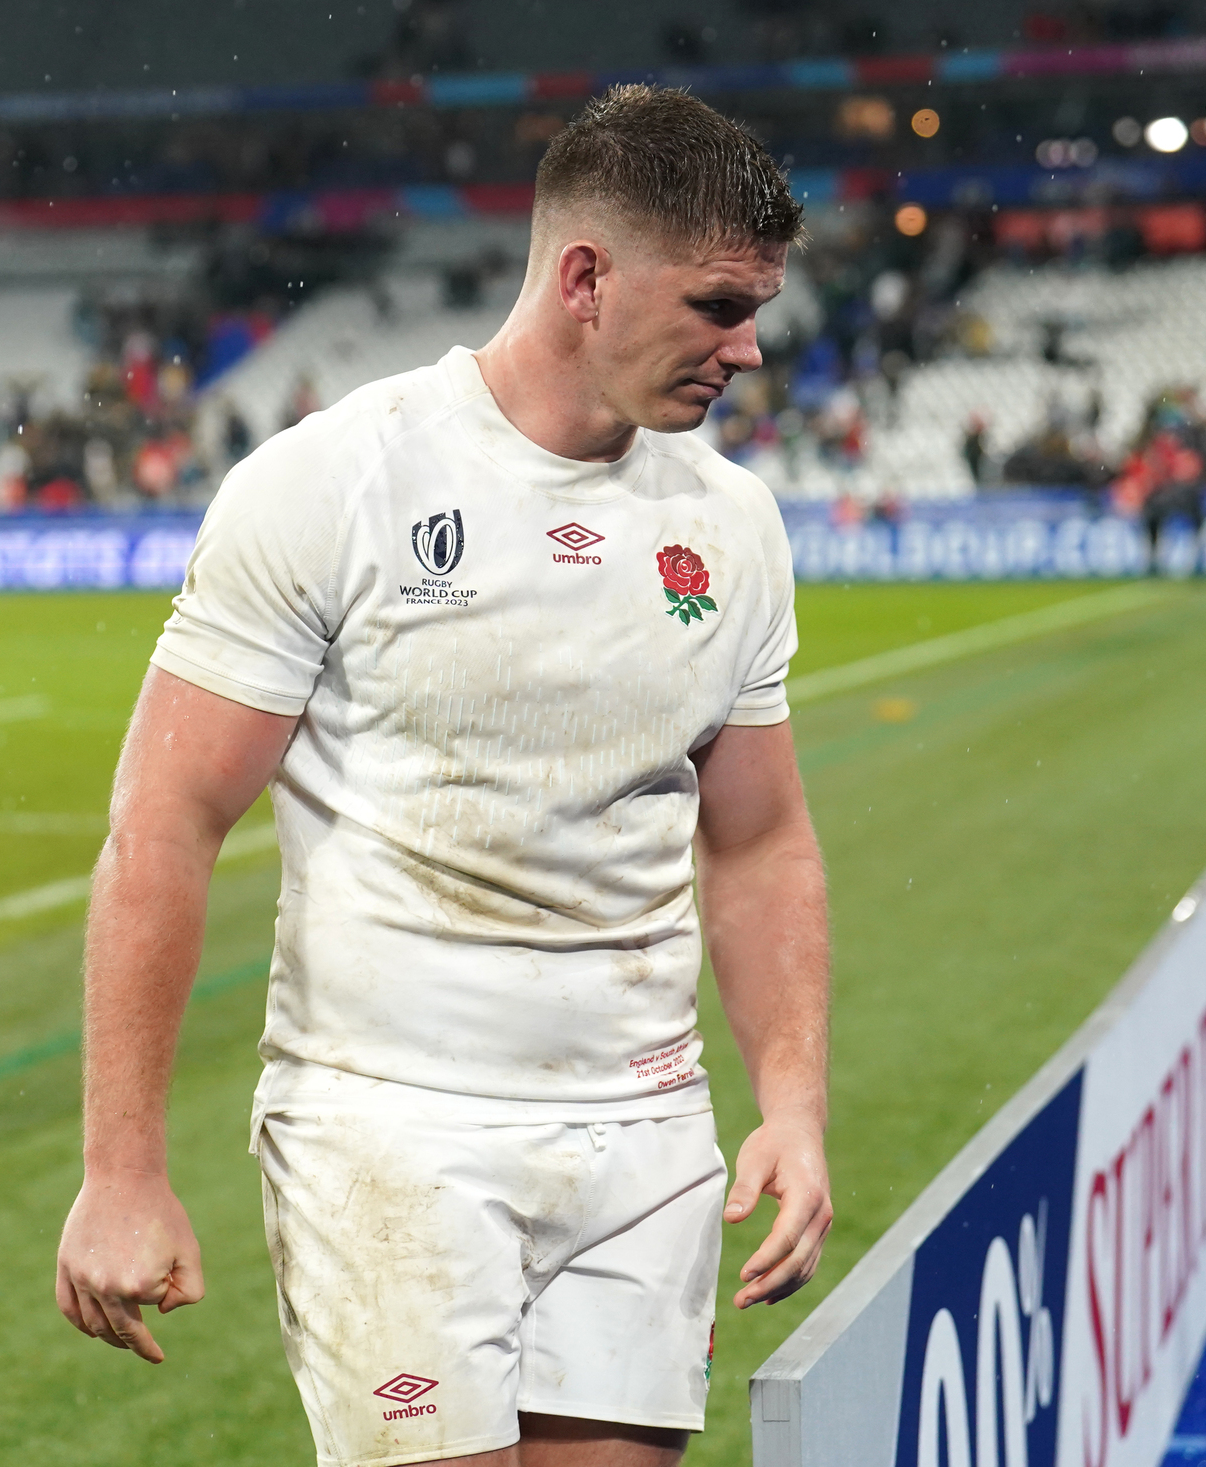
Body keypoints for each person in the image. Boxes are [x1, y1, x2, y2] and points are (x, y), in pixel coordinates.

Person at [54, 85, 833, 1467]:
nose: (750, 349)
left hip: (646, 1131)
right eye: (718, 307)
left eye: (756, 309)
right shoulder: (335, 483)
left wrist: (795, 1103)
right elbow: (164, 821)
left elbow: (760, 839)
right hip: (391, 1125)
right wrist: (121, 1170)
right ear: (585, 279)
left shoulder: (734, 524)